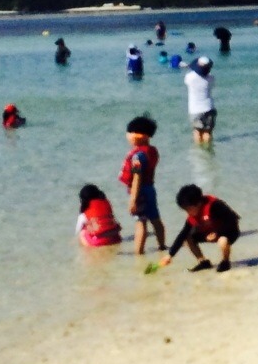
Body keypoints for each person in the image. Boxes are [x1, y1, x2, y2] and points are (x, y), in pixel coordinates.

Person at [163, 183, 241, 272]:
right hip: (209, 233)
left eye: (188, 209)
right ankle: (203, 262)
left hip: (229, 231)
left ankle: (225, 262)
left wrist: (218, 233)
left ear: (198, 204)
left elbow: (232, 220)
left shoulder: (214, 205)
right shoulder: (192, 214)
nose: (187, 213)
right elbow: (183, 233)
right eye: (185, 210)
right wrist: (170, 255)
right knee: (187, 237)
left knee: (222, 240)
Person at [120, 115, 165, 256]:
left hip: (139, 192)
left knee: (140, 222)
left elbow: (136, 178)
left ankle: (139, 252)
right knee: (155, 219)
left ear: (142, 136)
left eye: (131, 133)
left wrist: (133, 199)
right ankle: (162, 246)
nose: (128, 136)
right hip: (150, 189)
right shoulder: (152, 151)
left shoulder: (138, 157)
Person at [76, 184, 122, 249]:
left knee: (82, 232)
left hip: (99, 242)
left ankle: (87, 251)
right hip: (116, 238)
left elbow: (78, 229)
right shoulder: (105, 203)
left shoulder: (85, 209)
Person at [184, 56, 217, 144]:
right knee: (207, 132)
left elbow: (190, 74)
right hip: (209, 107)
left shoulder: (190, 77)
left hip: (195, 110)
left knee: (197, 131)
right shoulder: (211, 78)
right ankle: (207, 149)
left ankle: (199, 151)